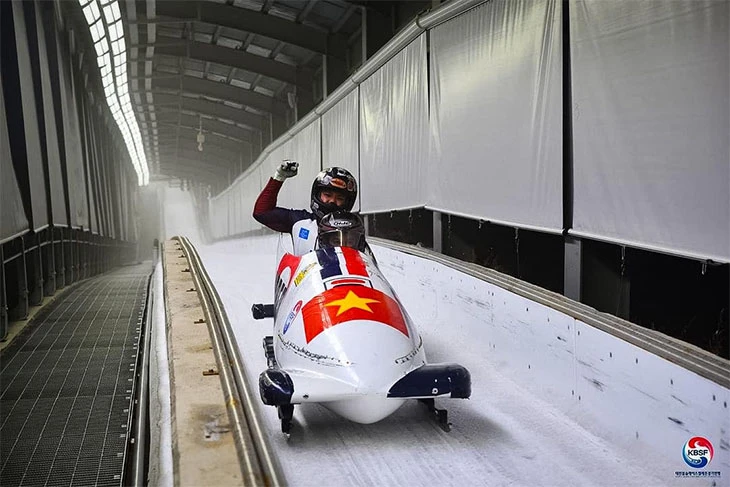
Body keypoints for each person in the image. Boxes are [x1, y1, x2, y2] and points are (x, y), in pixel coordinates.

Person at [253, 160, 358, 255]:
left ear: (347, 202)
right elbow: (262, 212)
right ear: (317, 195)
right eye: (327, 195)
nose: (332, 201)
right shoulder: (300, 221)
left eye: (339, 198)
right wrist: (278, 178)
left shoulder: (355, 229)